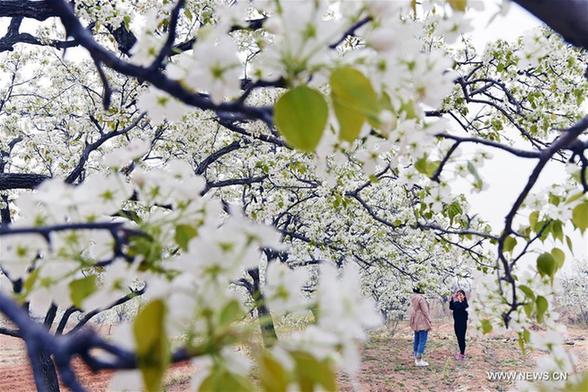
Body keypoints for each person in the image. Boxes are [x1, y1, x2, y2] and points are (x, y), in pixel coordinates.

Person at [409, 286, 432, 367]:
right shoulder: (421, 298)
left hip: (415, 319)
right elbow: (425, 310)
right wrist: (429, 319)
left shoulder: (413, 298)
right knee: (422, 340)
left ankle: (416, 358)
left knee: (417, 339)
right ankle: (419, 359)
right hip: (422, 320)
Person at [449, 289, 469, 360]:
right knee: (458, 337)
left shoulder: (465, 304)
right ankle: (461, 351)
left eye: (460, 294)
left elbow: (461, 308)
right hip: (456, 323)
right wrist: (452, 299)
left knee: (461, 338)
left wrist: (460, 300)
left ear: (463, 295)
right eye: (458, 294)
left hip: (462, 324)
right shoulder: (457, 303)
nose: (459, 296)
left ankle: (462, 353)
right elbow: (451, 307)